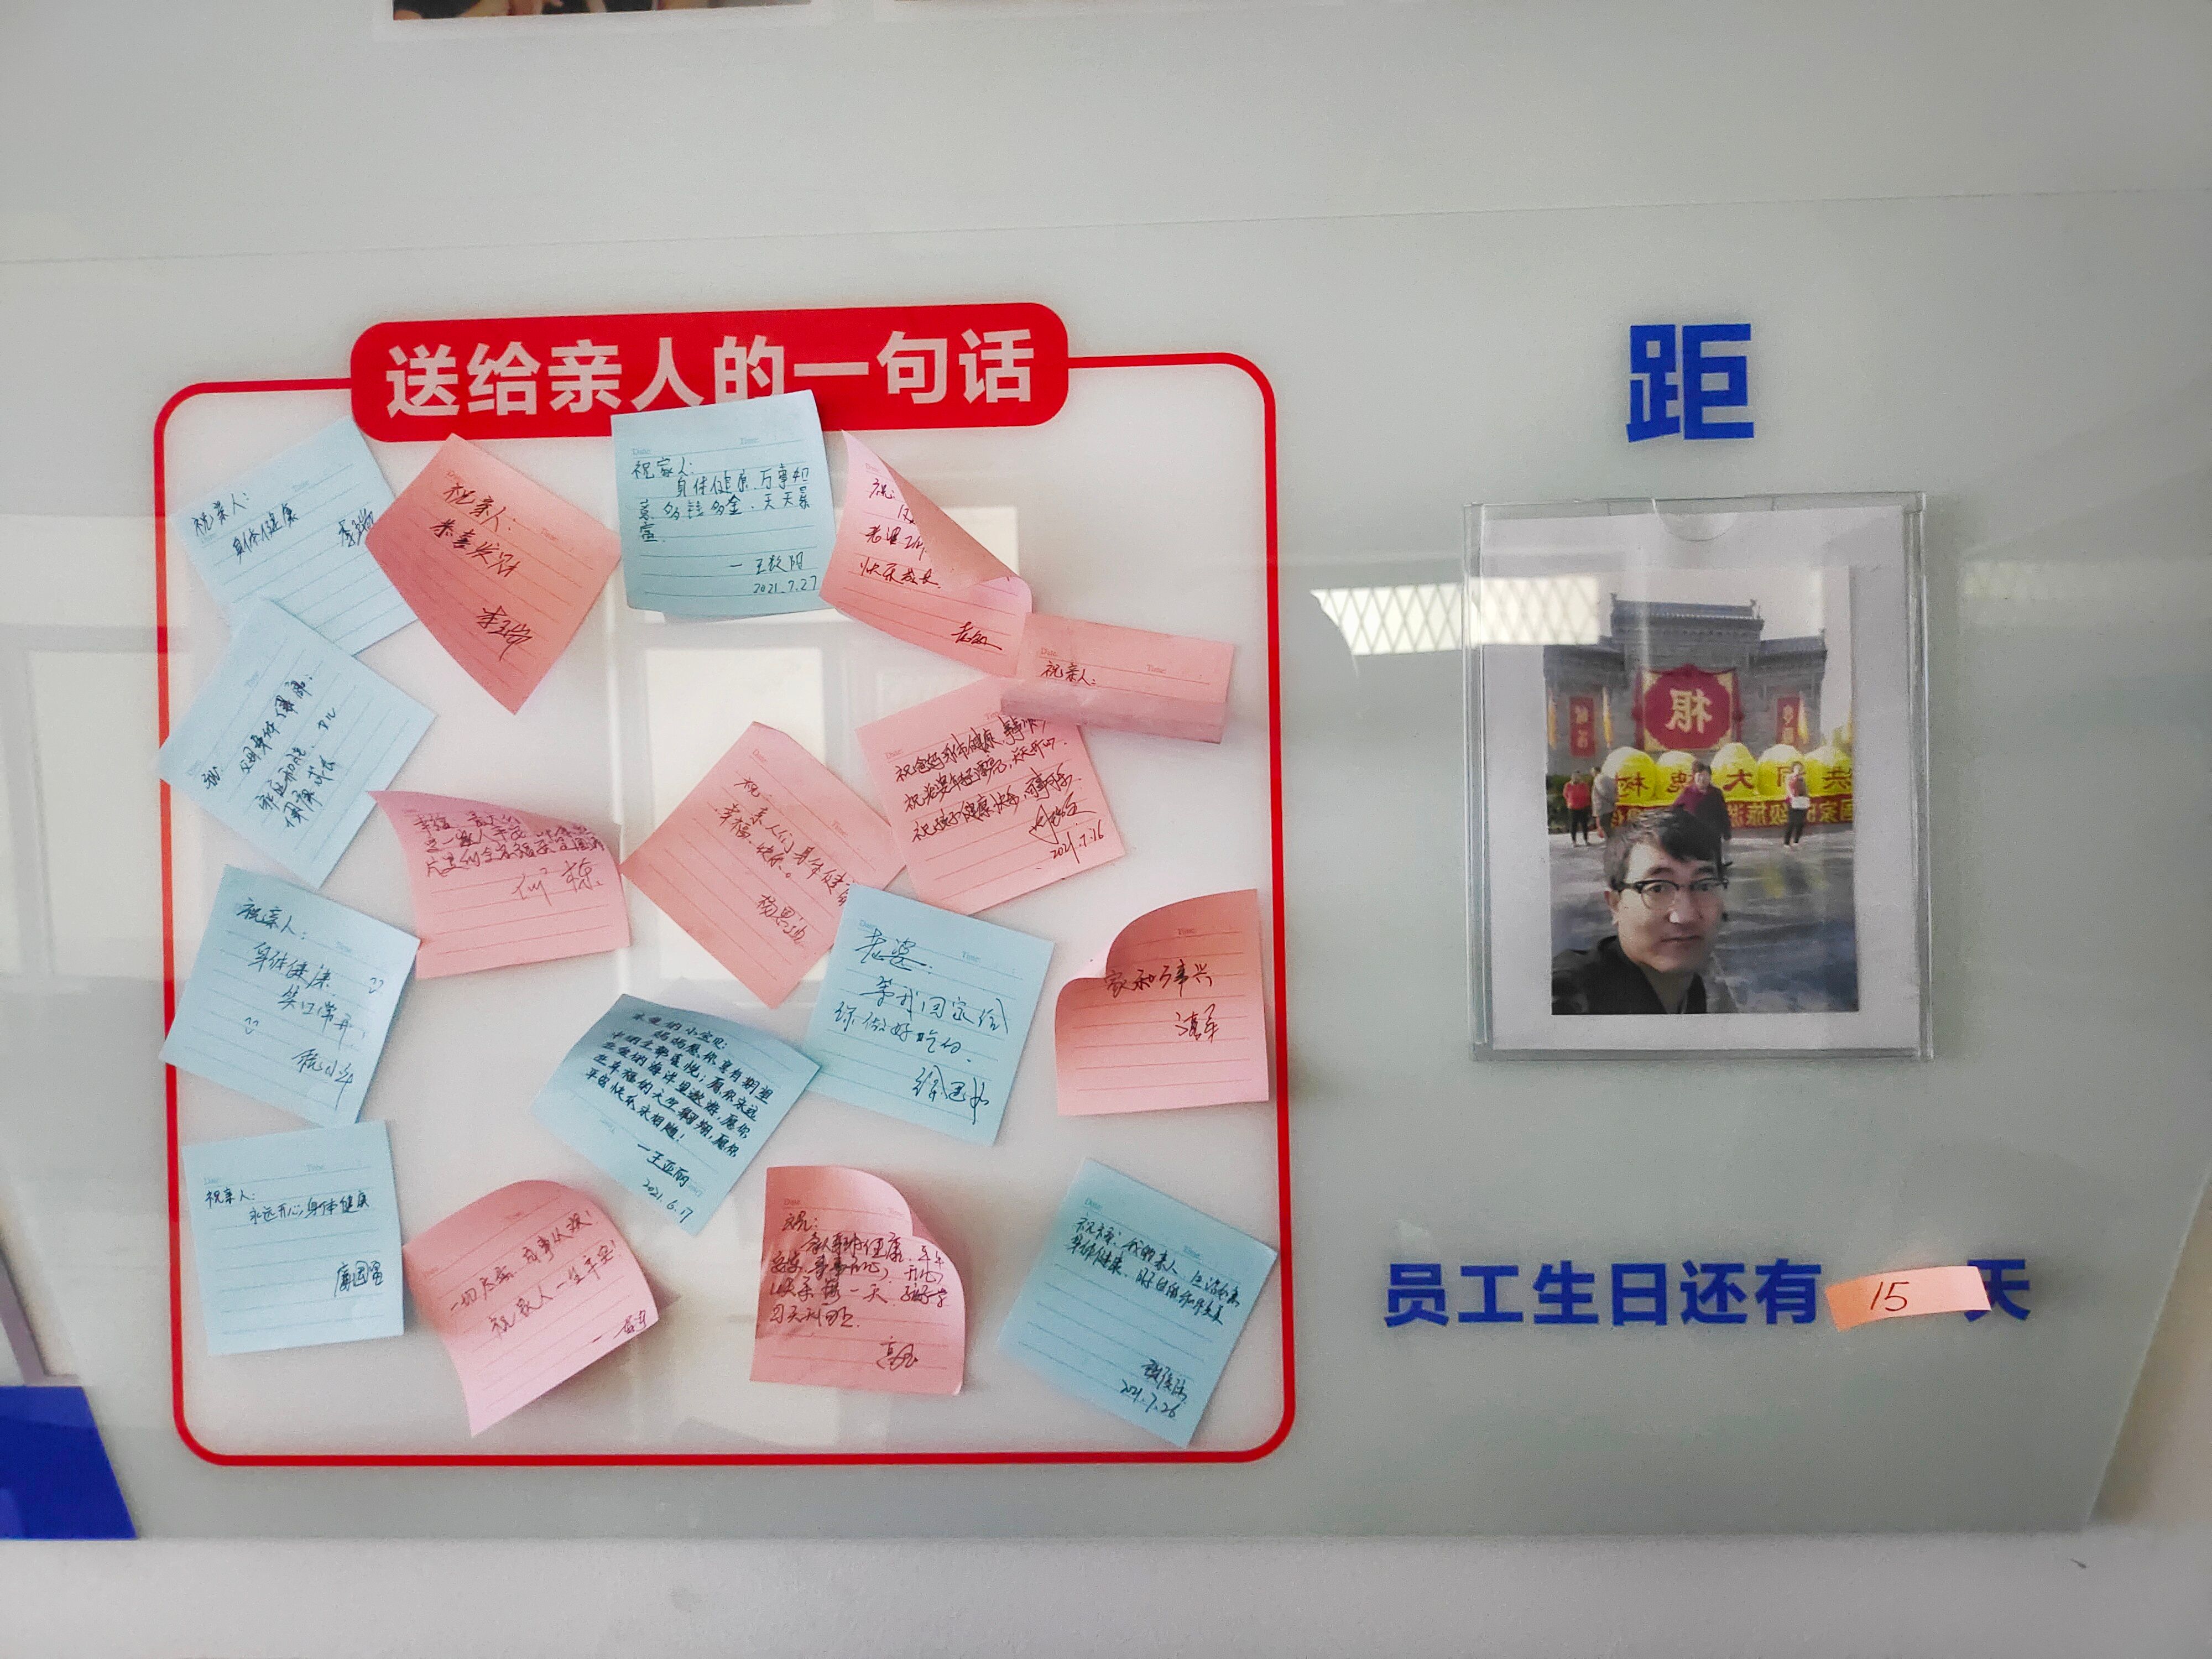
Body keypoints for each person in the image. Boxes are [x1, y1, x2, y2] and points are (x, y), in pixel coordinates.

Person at [1552, 810, 1735, 1014]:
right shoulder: (1575, 997)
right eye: (1657, 888)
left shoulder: (1691, 988)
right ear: (1615, 904)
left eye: (1704, 886)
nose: (1685, 917)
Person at [1672, 759, 1734, 848]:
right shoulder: (1688, 792)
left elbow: (1723, 814)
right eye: (1699, 775)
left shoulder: (1716, 793)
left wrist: (1727, 833)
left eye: (1705, 775)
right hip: (1693, 837)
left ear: (1710, 777)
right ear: (1694, 776)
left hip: (1713, 837)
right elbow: (1675, 809)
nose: (1702, 779)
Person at [1782, 760, 1812, 848]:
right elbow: (1788, 787)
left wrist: (1807, 798)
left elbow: (1806, 789)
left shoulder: (1803, 779)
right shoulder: (1789, 777)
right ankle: (1787, 842)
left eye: (1800, 768)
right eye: (1796, 767)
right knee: (1792, 822)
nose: (1798, 769)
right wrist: (1792, 796)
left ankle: (1796, 841)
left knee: (1801, 822)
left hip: (1802, 801)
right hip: (1793, 801)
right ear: (1793, 768)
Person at [1561, 772, 1593, 846]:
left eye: (1577, 777)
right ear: (1572, 777)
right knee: (1573, 825)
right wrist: (1569, 801)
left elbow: (1588, 794)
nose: (1576, 778)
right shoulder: (1568, 785)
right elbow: (1565, 794)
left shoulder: (1584, 785)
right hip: (1573, 808)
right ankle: (1574, 841)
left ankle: (1586, 840)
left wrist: (1587, 803)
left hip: (1583, 807)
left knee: (1584, 825)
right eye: (1574, 777)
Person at [1592, 765, 1618, 842]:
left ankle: (1610, 843)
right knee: (1609, 826)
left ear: (1595, 772)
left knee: (1605, 826)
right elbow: (1615, 788)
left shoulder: (1598, 779)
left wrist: (1612, 800)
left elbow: (1604, 792)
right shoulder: (1608, 778)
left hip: (1603, 807)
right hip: (1610, 807)